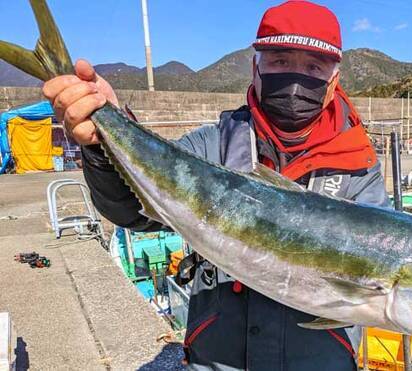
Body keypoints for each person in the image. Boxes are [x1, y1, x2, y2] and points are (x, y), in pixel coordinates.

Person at [42, 1, 389, 369]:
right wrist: (101, 142)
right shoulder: (210, 148)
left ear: (333, 80)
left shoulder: (359, 169)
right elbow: (132, 211)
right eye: (280, 61)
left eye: (313, 67)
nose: (295, 78)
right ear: (256, 68)